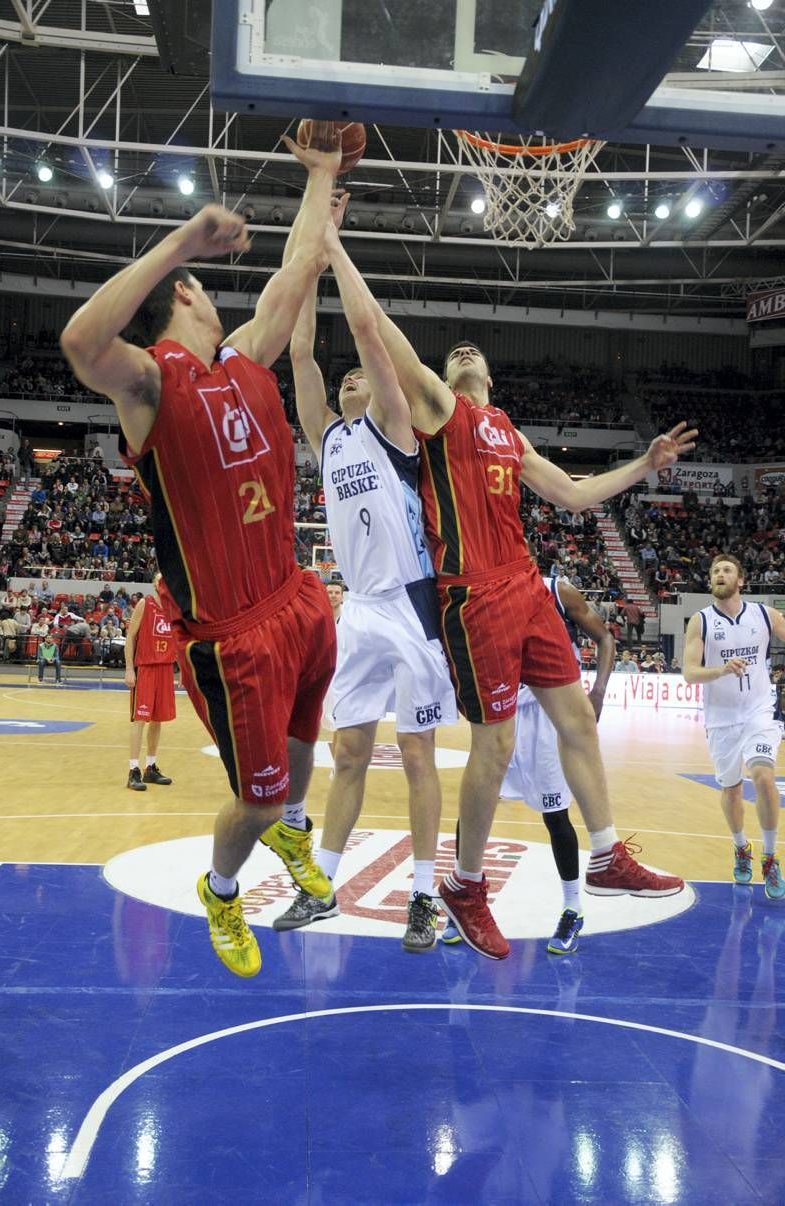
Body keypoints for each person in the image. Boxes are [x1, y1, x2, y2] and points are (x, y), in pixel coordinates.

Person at [326, 230, 690, 957]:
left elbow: (578, 494)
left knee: (577, 723)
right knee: (495, 744)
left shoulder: (507, 433)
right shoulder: (438, 409)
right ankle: (463, 883)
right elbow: (372, 327)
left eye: (471, 351)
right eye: (454, 351)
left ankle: (608, 851)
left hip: (526, 587)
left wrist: (643, 466)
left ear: (490, 372)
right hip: (473, 595)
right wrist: (332, 242)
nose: (462, 351)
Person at [60, 129, 344, 978]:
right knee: (255, 799)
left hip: (297, 598)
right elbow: (80, 344)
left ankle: (292, 831)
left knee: (301, 750)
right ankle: (222, 891)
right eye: (202, 282)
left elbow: (295, 275)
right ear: (185, 292)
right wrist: (181, 238)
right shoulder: (150, 382)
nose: (228, 296)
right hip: (233, 634)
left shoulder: (245, 358)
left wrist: (322, 177)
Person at [277, 198, 457, 951]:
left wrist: (336, 243)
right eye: (345, 379)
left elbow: (369, 343)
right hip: (357, 609)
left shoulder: (390, 424)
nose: (351, 379)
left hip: (410, 602)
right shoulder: (328, 439)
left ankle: (423, 895)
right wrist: (308, 265)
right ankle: (320, 886)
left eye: (359, 377)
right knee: (348, 752)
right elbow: (300, 355)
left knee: (416, 751)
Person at [444, 574, 616, 955]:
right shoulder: (480, 592)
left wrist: (598, 691)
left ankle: (573, 907)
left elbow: (605, 637)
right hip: (501, 710)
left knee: (556, 816)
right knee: (474, 807)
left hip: (545, 713)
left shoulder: (557, 589)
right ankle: (464, 900)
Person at [682, 554, 785, 900]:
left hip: (759, 710)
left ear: (741, 580)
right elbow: (689, 672)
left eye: (727, 570)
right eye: (715, 571)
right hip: (721, 718)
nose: (720, 574)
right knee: (731, 789)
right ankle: (741, 846)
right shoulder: (701, 622)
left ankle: (770, 856)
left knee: (764, 777)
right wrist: (722, 670)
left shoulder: (765, 615)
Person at [123, 575, 177, 791]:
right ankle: (133, 770)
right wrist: (129, 669)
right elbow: (130, 637)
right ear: (156, 584)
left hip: (165, 669)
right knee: (140, 720)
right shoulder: (145, 604)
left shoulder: (175, 608)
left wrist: (180, 669)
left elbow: (179, 639)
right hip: (145, 668)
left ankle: (150, 767)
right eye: (161, 580)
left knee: (158, 720)